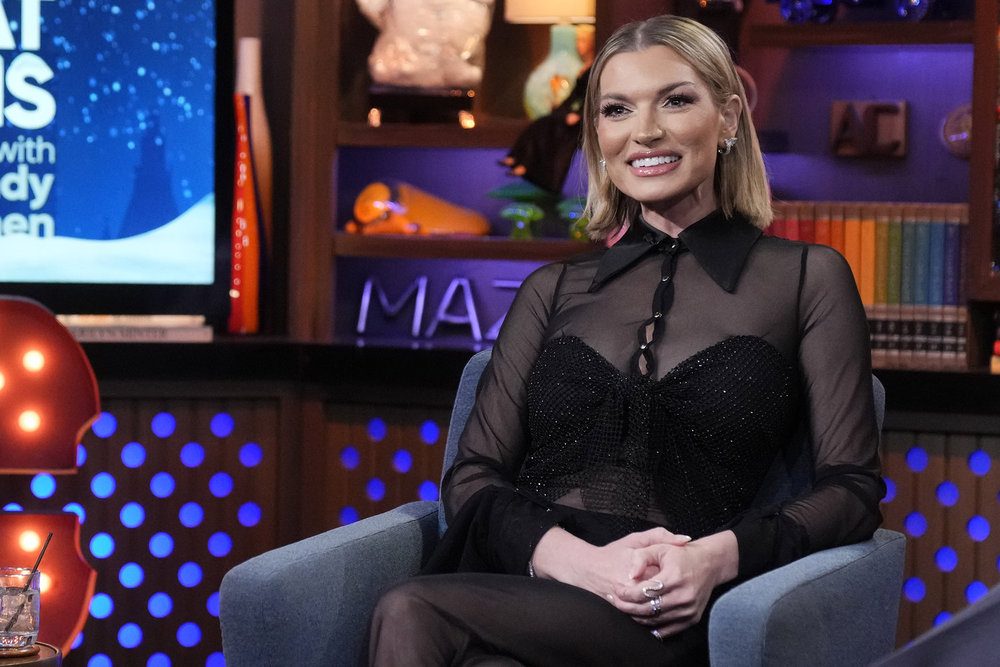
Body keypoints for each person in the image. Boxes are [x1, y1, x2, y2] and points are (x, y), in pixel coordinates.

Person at [368, 14, 884, 666]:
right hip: (539, 579)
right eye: (617, 109)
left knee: (411, 609)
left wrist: (716, 558)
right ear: (598, 135)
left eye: (675, 100)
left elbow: (852, 490)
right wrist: (576, 562)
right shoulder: (553, 289)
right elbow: (471, 476)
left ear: (728, 118)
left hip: (670, 606)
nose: (645, 131)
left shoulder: (807, 278)